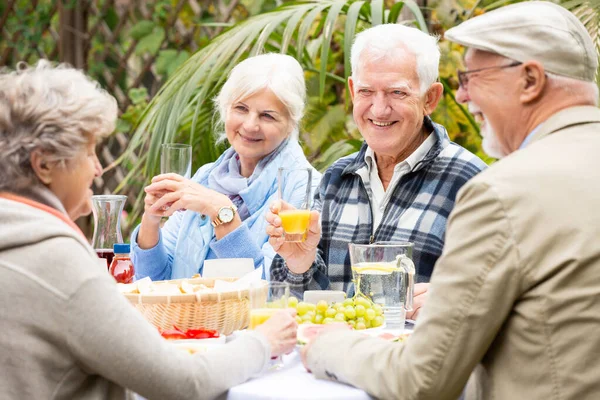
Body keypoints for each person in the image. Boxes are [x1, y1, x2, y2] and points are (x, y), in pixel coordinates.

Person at [300, 2, 600, 399]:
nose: (462, 93)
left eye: (472, 76)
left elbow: (422, 380)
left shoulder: (499, 191)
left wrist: (327, 344)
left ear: (530, 80)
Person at [0, 61, 298, 400]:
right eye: (89, 152)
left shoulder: (15, 234)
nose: (99, 168)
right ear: (43, 165)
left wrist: (219, 212)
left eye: (268, 115)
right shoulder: (58, 259)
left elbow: (275, 283)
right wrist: (263, 343)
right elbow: (183, 384)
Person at [267, 24, 487, 312]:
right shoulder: (336, 178)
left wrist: (453, 300)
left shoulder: (470, 181)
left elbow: (499, 297)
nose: (379, 109)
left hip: (414, 355)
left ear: (430, 99)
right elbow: (302, 310)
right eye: (367, 91)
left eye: (397, 92)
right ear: (351, 91)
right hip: (336, 353)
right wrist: (299, 262)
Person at [132, 53, 321, 281]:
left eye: (267, 116)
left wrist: (223, 212)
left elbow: (276, 291)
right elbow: (153, 284)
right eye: (241, 108)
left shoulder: (306, 187)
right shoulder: (206, 176)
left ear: (291, 124)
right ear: (225, 110)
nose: (250, 125)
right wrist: (151, 221)